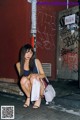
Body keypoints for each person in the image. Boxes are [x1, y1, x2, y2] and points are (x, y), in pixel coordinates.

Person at [16, 44, 49, 108]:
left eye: (30, 53)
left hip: (40, 87)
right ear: (23, 53)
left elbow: (43, 75)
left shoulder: (36, 61)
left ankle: (38, 98)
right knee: (23, 80)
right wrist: (30, 76)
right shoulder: (18, 64)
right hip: (30, 87)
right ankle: (28, 97)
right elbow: (22, 79)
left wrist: (36, 76)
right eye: (27, 52)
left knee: (33, 78)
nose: (29, 55)